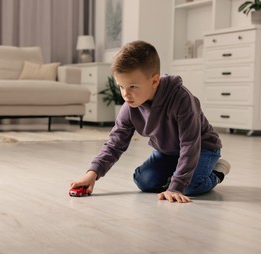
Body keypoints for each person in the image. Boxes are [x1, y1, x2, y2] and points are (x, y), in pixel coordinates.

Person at [70, 40, 231, 203]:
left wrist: (176, 186)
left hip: (202, 148)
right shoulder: (130, 107)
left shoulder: (181, 99)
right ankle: (180, 172)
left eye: (132, 86)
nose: (125, 94)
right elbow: (114, 144)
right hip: (168, 152)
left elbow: (190, 144)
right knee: (143, 181)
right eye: (121, 86)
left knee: (189, 187)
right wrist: (92, 174)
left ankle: (217, 171)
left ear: (154, 81)